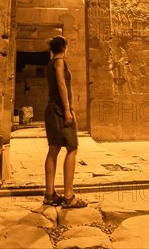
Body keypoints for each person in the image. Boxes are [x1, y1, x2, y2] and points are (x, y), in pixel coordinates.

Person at [43, 36, 87, 208]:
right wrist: (68, 110)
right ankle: (69, 196)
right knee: (72, 148)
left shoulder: (49, 63)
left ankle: (49, 195)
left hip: (51, 107)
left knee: (53, 149)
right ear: (64, 47)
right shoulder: (60, 61)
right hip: (60, 108)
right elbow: (61, 83)